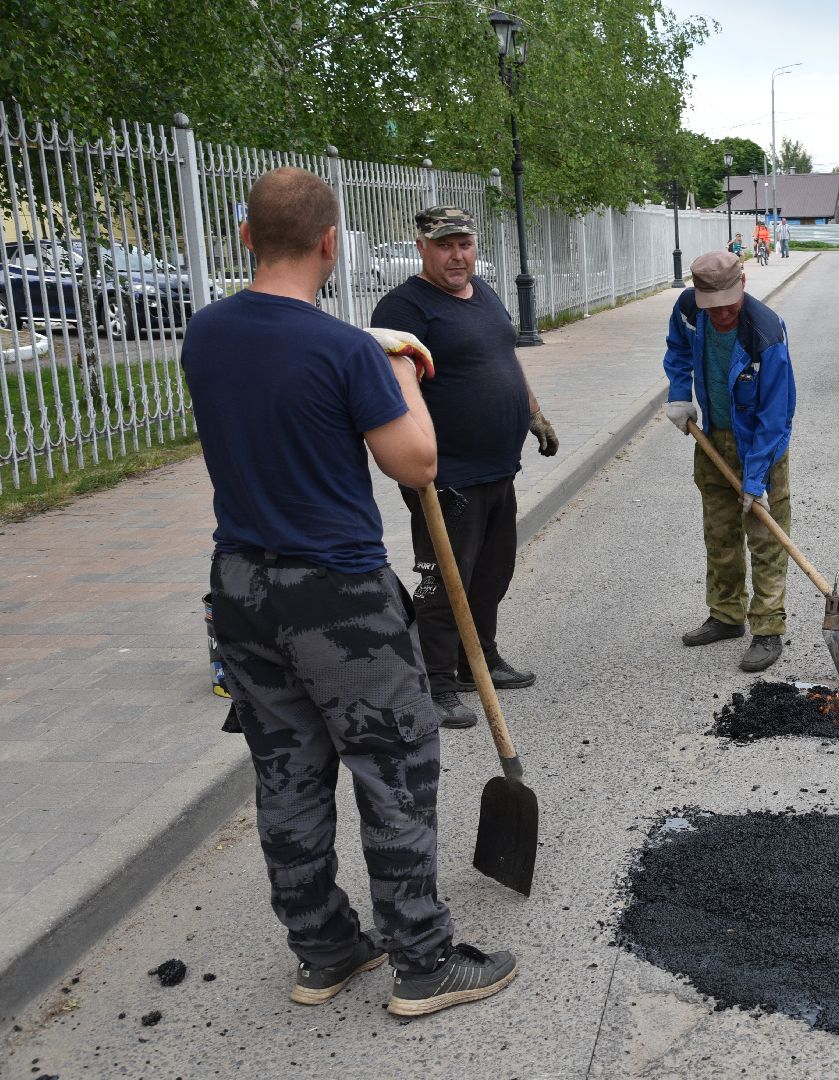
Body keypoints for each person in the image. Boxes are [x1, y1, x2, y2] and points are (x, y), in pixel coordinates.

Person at [181, 167, 516, 1017]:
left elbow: (271, 378)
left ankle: (325, 950)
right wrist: (398, 369)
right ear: (332, 244)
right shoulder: (343, 351)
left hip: (239, 589)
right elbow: (416, 464)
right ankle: (423, 962)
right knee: (394, 767)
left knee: (287, 773)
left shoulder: (205, 333)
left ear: (246, 237)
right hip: (337, 596)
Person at [370, 206, 559, 730]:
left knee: (491, 573)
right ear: (422, 248)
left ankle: (481, 659)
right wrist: (415, 464)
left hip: (498, 466)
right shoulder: (404, 308)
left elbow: (505, 359)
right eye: (445, 245)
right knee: (444, 579)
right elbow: (390, 389)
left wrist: (532, 411)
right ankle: (435, 678)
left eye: (464, 244)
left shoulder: (486, 294)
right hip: (447, 475)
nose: (457, 255)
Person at [662, 250, 796, 673]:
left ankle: (768, 627)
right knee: (718, 533)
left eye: (729, 305)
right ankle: (726, 615)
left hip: (760, 444)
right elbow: (679, 348)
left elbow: (776, 417)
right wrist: (680, 393)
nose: (721, 315)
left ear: (742, 288)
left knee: (766, 537)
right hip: (713, 439)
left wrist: (755, 479)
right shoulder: (688, 309)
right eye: (712, 307)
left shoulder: (766, 333)